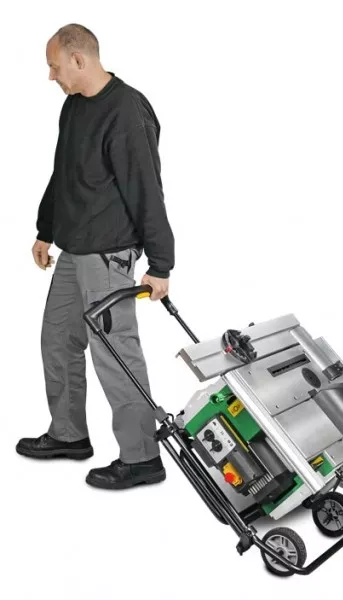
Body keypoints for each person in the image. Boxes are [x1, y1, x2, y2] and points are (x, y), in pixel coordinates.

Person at [15, 23, 175, 490]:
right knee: (57, 339)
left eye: (54, 66)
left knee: (115, 352)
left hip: (109, 255)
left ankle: (142, 457)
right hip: (74, 249)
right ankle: (69, 434)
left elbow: (147, 189)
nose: (51, 76)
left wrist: (160, 264)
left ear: (78, 60)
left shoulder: (126, 111)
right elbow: (64, 173)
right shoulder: (74, 105)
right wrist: (46, 230)